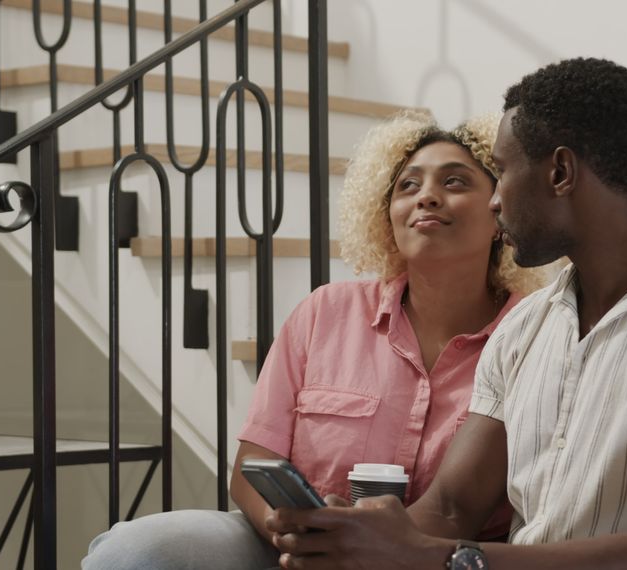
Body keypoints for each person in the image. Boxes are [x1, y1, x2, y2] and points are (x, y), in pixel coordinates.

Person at [268, 57, 627, 569]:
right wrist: (361, 538)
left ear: (560, 171)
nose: (494, 201)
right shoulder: (526, 327)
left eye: (500, 171)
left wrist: (432, 557)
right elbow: (452, 507)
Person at [82, 111, 547, 569]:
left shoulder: (533, 335)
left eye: (455, 182)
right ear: (386, 217)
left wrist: (373, 550)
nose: (426, 196)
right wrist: (294, 535)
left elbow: (459, 510)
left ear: (499, 213)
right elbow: (252, 466)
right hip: (289, 548)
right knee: (136, 550)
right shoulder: (326, 312)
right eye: (408, 185)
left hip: (439, 560)